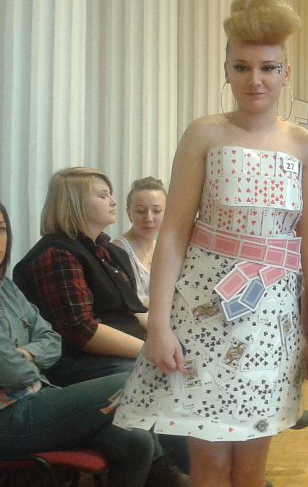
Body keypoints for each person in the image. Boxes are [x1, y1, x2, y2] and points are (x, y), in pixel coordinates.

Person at [113, 0, 308, 487]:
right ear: (227, 70)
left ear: (286, 73)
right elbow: (173, 233)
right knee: (210, 465)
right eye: (242, 67)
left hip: (272, 318)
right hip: (202, 313)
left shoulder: (304, 145)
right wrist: (159, 324)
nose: (255, 80)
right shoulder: (204, 134)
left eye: (268, 68)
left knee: (252, 467)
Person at [0, 202, 184, 487]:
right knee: (135, 377)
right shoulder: (57, 254)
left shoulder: (6, 287)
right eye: (101, 195)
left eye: (1, 229)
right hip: (9, 416)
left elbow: (51, 339)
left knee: (136, 441)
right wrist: (28, 362)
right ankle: (186, 474)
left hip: (37, 395)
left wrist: (26, 355)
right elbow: (13, 371)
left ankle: (180, 471)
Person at [13, 167, 149, 386]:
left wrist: (169, 341)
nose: (113, 202)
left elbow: (132, 310)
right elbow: (82, 331)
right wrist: (149, 352)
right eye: (103, 196)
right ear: (74, 203)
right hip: (83, 363)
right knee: (158, 378)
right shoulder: (57, 254)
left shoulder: (110, 251)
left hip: (123, 354)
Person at [113, 176, 167, 305]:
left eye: (157, 211)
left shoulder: (163, 249)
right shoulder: (118, 251)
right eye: (140, 211)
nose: (149, 218)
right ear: (129, 213)